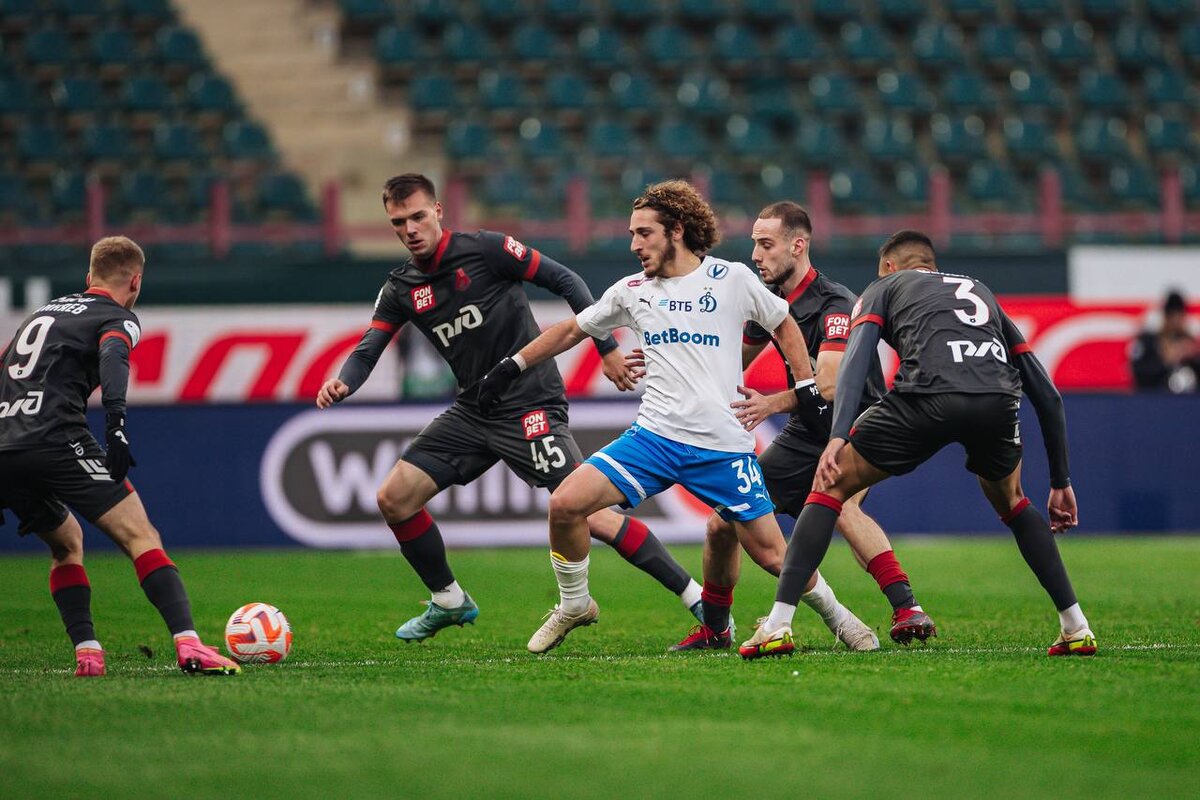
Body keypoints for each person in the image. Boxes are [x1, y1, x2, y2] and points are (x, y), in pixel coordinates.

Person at [477, 180, 875, 655]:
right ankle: (574, 603)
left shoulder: (731, 279)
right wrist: (511, 367)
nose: (634, 244)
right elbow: (569, 330)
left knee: (773, 555)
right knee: (565, 504)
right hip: (654, 439)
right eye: (631, 233)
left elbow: (782, 321)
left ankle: (843, 620)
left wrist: (806, 382)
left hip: (722, 448)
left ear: (677, 230)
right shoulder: (632, 291)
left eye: (644, 233)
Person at [316, 174, 706, 642]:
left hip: (529, 402)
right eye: (399, 222)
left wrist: (607, 349)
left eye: (418, 216)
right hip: (473, 409)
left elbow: (566, 279)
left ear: (438, 211)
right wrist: (343, 382)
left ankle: (695, 597)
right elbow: (368, 348)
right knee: (393, 498)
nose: (411, 229)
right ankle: (448, 600)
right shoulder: (401, 287)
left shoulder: (486, 250)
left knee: (592, 514)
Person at [741, 230, 1095, 660]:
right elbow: (1047, 393)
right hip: (998, 400)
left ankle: (778, 624)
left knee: (831, 488)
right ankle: (1075, 625)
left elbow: (854, 361)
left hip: (927, 396)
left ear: (890, 267)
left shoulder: (884, 286)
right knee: (1015, 503)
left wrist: (837, 437)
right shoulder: (980, 292)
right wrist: (1061, 480)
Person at [682, 201, 935, 652]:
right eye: (754, 244)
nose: (756, 255)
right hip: (806, 431)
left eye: (766, 244)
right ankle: (716, 627)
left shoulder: (835, 303)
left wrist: (772, 403)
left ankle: (907, 607)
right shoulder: (770, 304)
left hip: (858, 424)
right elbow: (729, 362)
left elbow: (835, 384)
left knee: (843, 506)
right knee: (723, 522)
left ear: (798, 246)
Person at [0, 236, 240, 677]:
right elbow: (113, 353)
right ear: (136, 280)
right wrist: (116, 425)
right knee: (139, 535)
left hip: (5, 444)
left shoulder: (43, 312)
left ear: (88, 275)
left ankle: (88, 653)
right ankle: (189, 644)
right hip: (56, 440)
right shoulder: (117, 317)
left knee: (66, 542)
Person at [1129, 289, 1198, 394]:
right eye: (1171, 316)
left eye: (1179, 316)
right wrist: (1165, 361)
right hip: (1155, 401)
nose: (1175, 321)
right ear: (1165, 316)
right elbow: (1138, 373)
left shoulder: (1189, 343)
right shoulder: (1149, 341)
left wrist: (1193, 357)